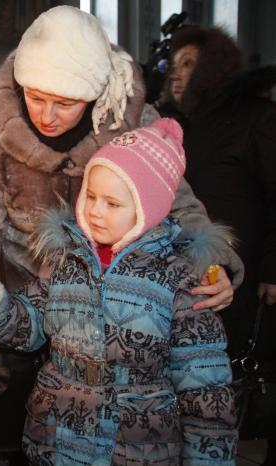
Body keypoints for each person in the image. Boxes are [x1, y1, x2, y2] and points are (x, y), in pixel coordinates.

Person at [0, 5, 240, 458]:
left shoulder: (135, 124)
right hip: (24, 311)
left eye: (65, 102)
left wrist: (210, 263)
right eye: (35, 97)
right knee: (2, 438)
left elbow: (181, 206)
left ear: (96, 94)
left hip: (129, 309)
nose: (47, 115)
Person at [0, 119, 237, 465]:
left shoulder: (181, 279)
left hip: (135, 449)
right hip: (56, 440)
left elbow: (205, 389)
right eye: (91, 196)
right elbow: (31, 324)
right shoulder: (68, 259)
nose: (94, 211)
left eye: (112, 204)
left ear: (148, 209)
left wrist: (208, 459)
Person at [159, 26, 276, 460]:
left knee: (240, 383)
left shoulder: (257, 117)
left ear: (215, 67)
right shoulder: (176, 123)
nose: (175, 75)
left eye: (188, 65)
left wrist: (272, 267)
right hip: (187, 278)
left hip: (243, 277)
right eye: (173, 66)